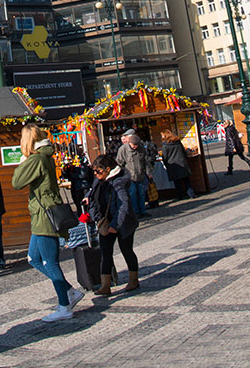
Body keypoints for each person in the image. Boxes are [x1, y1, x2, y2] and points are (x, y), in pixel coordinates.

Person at [12, 123, 83, 322]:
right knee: (33, 259)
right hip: (40, 214)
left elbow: (17, 182)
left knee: (49, 262)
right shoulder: (44, 156)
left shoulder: (37, 158)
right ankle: (69, 292)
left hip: (45, 215)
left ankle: (64, 305)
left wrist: (23, 161)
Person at [86, 154, 139, 295]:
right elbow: (92, 194)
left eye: (99, 171)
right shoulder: (99, 181)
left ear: (108, 169)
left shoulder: (119, 183)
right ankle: (105, 285)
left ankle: (133, 280)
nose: (96, 174)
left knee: (126, 250)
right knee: (105, 253)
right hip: (105, 220)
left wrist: (115, 225)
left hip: (123, 223)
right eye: (94, 171)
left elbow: (124, 206)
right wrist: (88, 199)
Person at [115, 131, 149, 216]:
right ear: (129, 143)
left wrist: (148, 172)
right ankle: (135, 213)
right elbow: (119, 163)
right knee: (133, 195)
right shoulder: (123, 149)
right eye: (133, 145)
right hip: (130, 177)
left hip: (140, 175)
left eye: (136, 145)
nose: (135, 147)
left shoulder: (141, 148)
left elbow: (145, 161)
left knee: (141, 194)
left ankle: (143, 211)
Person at [160, 129, 191, 200]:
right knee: (186, 181)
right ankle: (191, 194)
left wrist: (165, 163)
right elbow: (184, 152)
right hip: (182, 162)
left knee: (177, 183)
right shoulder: (178, 142)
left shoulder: (165, 146)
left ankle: (180, 196)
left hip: (173, 165)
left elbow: (165, 156)